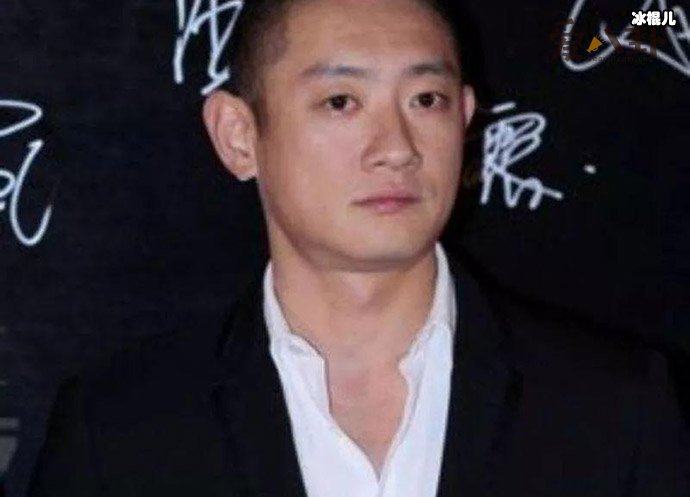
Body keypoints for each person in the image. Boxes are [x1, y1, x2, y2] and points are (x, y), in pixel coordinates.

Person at [27, 0, 687, 496]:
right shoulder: (118, 428)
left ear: (464, 120)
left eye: (425, 99)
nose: (396, 148)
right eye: (341, 101)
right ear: (238, 135)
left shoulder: (614, 408)